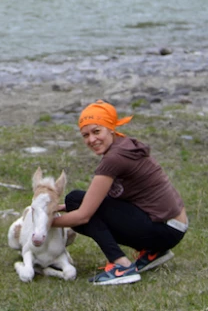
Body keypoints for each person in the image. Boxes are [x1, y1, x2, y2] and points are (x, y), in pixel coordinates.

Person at [52, 100, 188, 285]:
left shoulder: (114, 158)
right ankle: (153, 252)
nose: (91, 139)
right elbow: (112, 198)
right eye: (85, 135)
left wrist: (42, 224)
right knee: (74, 202)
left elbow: (83, 216)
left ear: (110, 128)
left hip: (164, 230)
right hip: (173, 226)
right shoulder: (124, 144)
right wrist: (65, 208)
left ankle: (121, 266)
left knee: (76, 200)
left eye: (96, 131)